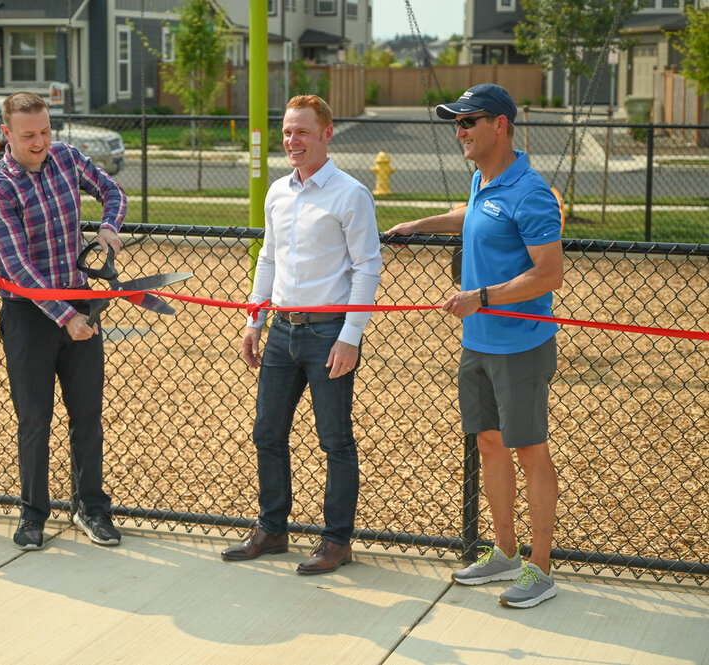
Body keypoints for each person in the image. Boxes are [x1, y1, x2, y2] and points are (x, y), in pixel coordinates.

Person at [385, 83, 564, 608]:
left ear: (500, 125)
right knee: (489, 444)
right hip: (478, 342)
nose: (459, 131)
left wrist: (480, 296)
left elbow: (549, 274)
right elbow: (474, 216)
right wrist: (423, 224)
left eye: (469, 122)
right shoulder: (483, 181)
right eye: (456, 123)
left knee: (530, 450)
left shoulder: (530, 192)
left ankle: (541, 568)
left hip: (520, 345)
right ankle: (506, 552)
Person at [220, 95, 382, 575]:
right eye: (288, 131)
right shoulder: (278, 192)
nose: (292, 140)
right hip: (281, 333)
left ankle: (336, 540)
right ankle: (272, 528)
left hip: (329, 333)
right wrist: (255, 320)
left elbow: (367, 266)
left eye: (303, 132)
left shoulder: (350, 194)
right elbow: (267, 258)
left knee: (335, 441)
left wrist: (350, 335)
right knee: (267, 433)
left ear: (327, 134)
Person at [0, 91, 126, 552]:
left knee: (87, 416)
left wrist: (109, 225)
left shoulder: (66, 157)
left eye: (45, 131)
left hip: (79, 304)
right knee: (34, 420)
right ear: (7, 134)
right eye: (29, 136)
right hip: (30, 316)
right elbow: (17, 266)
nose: (40, 141)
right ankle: (33, 514)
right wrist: (65, 317)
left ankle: (92, 509)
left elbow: (113, 191)